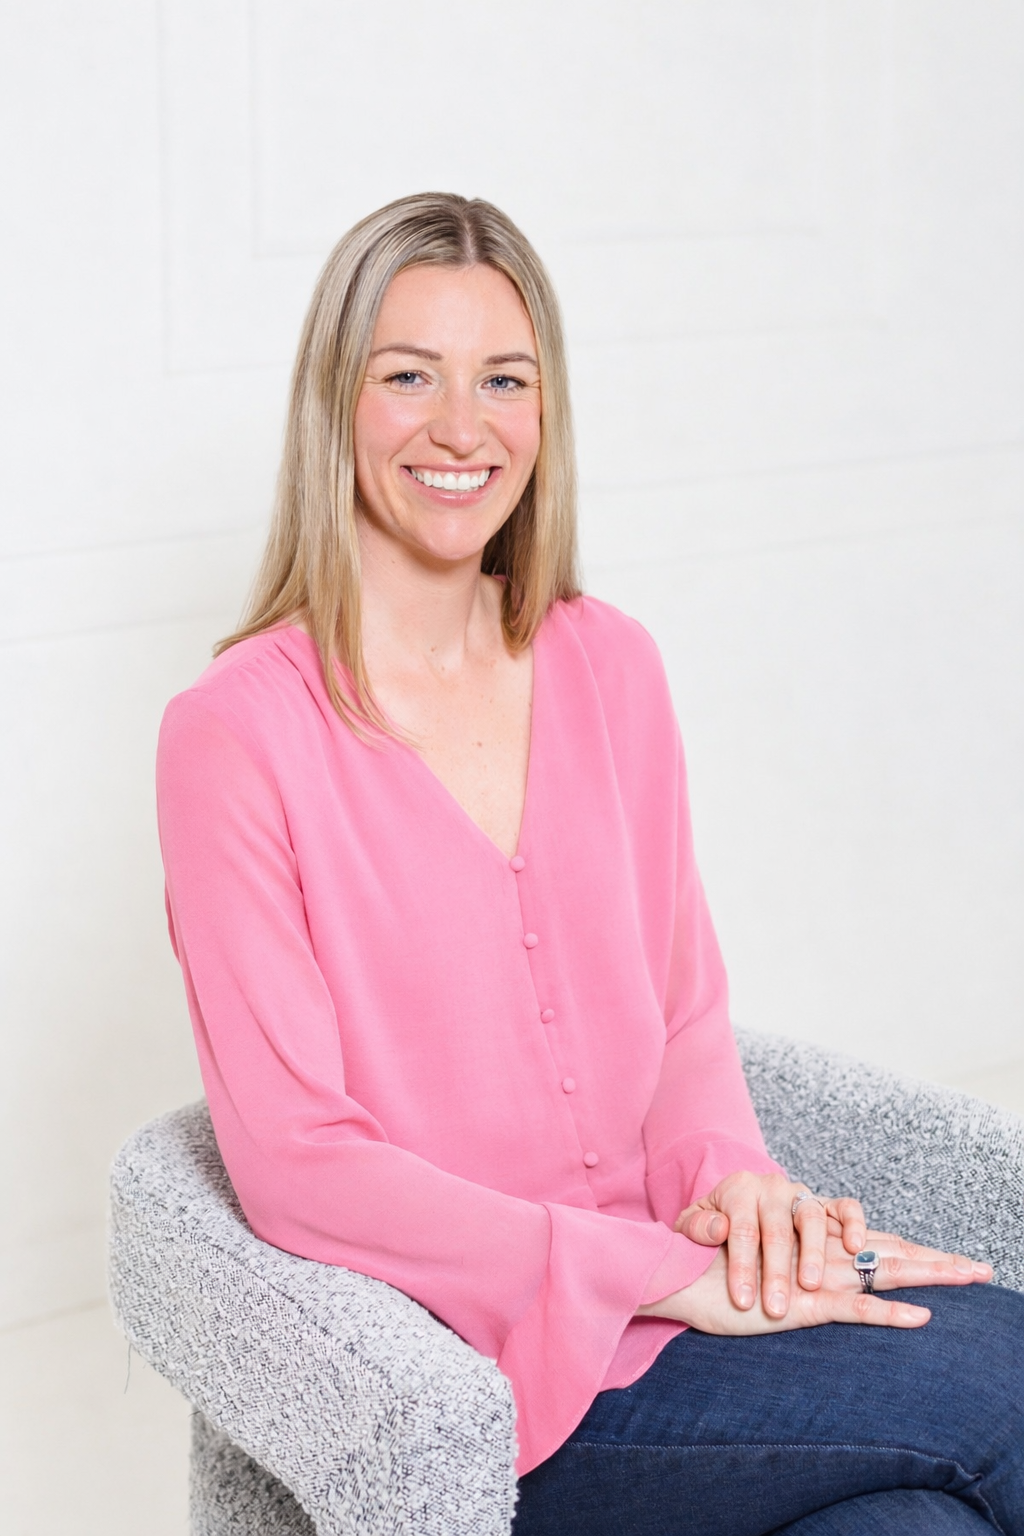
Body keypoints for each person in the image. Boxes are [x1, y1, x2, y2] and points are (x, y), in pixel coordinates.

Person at [156, 193, 1022, 1534]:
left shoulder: (611, 664)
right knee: (1008, 1385)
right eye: (409, 378)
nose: (463, 427)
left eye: (505, 378)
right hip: (494, 1392)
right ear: (337, 403)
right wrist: (654, 1276)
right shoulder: (233, 735)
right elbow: (297, 1164)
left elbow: (681, 1027)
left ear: (546, 410)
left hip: (689, 1304)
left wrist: (738, 1192)